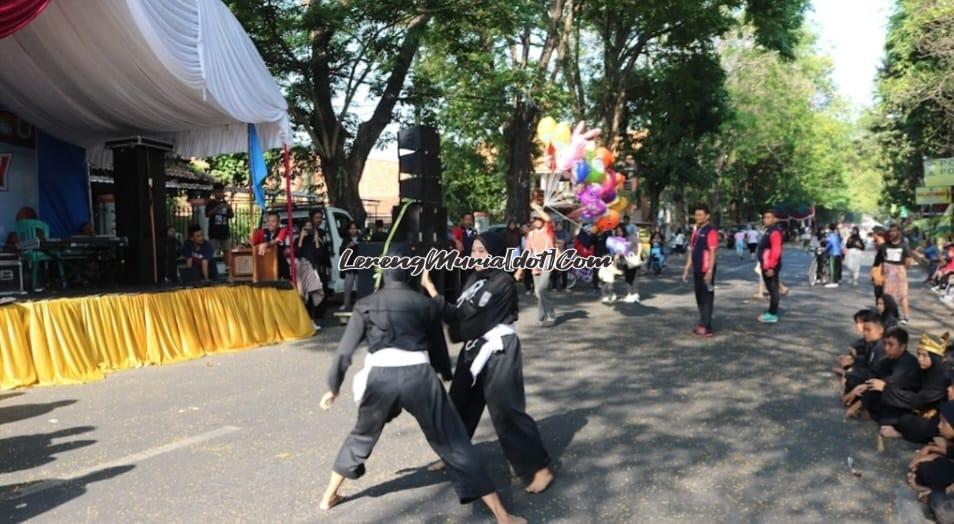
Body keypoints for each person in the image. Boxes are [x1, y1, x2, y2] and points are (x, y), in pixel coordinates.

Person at [317, 246, 526, 524]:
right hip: (419, 377)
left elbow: (344, 351)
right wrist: (446, 375)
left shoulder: (366, 303)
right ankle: (502, 515)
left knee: (361, 435)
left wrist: (334, 386)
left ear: (384, 271)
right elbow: (438, 350)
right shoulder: (424, 304)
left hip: (380, 378)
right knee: (455, 441)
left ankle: (327, 497)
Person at [421, 232, 554, 495]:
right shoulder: (475, 278)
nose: (476, 256)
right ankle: (452, 455)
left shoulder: (501, 282)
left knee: (506, 409)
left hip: (498, 349)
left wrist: (432, 290)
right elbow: (460, 315)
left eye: (482, 251)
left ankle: (540, 468)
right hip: (475, 346)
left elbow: (462, 316)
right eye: (474, 251)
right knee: (459, 402)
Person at [876, 333, 949, 439]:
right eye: (919, 354)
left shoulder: (942, 377)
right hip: (920, 409)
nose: (920, 359)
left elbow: (920, 400)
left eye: (924, 355)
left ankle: (901, 433)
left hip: (938, 415)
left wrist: (887, 389)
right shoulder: (925, 369)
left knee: (908, 421)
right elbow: (909, 384)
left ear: (935, 357)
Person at [844, 327, 919, 421]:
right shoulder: (888, 359)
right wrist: (861, 386)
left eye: (891, 345)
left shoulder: (907, 364)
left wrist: (857, 405)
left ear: (902, 347)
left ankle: (869, 411)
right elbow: (874, 375)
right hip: (887, 391)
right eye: (885, 344)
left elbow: (884, 384)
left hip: (902, 400)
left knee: (878, 393)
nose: (886, 348)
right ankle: (866, 408)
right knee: (856, 380)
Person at [682, 204, 719, 337]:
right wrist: (687, 268)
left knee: (707, 297)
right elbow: (692, 250)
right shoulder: (696, 230)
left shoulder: (711, 231)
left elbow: (713, 252)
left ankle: (707, 326)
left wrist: (710, 271)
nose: (697, 217)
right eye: (696, 215)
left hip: (706, 270)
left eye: (700, 215)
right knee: (699, 297)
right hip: (697, 269)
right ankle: (703, 321)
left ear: (707, 216)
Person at [517, 204, 556, 324]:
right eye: (535, 219)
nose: (537, 221)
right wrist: (520, 269)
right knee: (538, 292)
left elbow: (549, 219)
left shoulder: (548, 230)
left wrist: (538, 208)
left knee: (541, 289)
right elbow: (527, 252)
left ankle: (551, 314)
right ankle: (542, 316)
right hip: (536, 264)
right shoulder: (531, 234)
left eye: (539, 219)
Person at [877, 224, 913, 325]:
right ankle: (888, 315)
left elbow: (908, 260)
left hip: (900, 270)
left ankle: (906, 317)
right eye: (891, 231)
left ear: (899, 232)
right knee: (887, 294)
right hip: (888, 270)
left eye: (894, 231)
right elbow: (883, 259)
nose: (892, 233)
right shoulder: (886, 245)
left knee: (903, 295)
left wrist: (902, 270)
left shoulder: (904, 245)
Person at [297, 220, 326, 331]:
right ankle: (306, 321)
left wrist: (316, 239)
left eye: (310, 227)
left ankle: (311, 321)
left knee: (313, 292)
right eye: (306, 227)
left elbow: (320, 255)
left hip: (313, 269)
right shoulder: (299, 239)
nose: (308, 229)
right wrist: (301, 238)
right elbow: (297, 252)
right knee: (304, 296)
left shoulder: (316, 240)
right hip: (302, 270)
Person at [757, 210, 784, 323]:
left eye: (769, 217)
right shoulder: (768, 231)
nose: (766, 219)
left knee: (773, 290)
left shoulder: (775, 232)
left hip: (770, 265)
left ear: (775, 219)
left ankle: (772, 314)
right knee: (771, 288)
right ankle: (771, 312)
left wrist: (771, 267)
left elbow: (776, 250)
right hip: (766, 263)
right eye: (765, 217)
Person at [251, 211, 290, 279]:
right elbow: (252, 242)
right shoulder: (263, 232)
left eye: (273, 221)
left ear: (278, 223)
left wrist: (266, 244)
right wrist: (243, 246)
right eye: (268, 221)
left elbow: (278, 240)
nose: (270, 223)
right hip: (267, 265)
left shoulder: (283, 230)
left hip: (280, 264)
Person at [205, 183, 234, 270]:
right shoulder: (211, 203)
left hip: (225, 230)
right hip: (214, 231)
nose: (220, 194)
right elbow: (207, 214)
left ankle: (228, 267)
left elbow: (231, 216)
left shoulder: (225, 202)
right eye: (218, 192)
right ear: (214, 192)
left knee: (226, 249)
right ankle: (210, 267)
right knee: (212, 250)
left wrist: (229, 209)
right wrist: (217, 208)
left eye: (221, 191)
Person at [338, 221, 360, 312]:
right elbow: (341, 252)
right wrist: (348, 246)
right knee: (347, 287)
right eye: (351, 228)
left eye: (354, 228)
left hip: (359, 265)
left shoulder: (361, 238)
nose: (353, 230)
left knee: (360, 287)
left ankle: (359, 305)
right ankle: (346, 304)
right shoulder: (346, 239)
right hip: (349, 266)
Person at [621, 222, 643, 303]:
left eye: (620, 231)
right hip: (624, 261)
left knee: (634, 278)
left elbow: (639, 245)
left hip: (633, 260)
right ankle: (629, 294)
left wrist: (638, 255)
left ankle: (636, 294)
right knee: (627, 278)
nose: (618, 232)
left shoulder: (631, 237)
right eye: (617, 231)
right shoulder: (619, 239)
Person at [824, 223, 844, 288]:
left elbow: (829, 245)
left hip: (832, 253)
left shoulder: (830, 236)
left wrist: (825, 250)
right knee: (836, 268)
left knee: (832, 268)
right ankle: (836, 281)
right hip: (838, 253)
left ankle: (832, 282)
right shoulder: (836, 236)